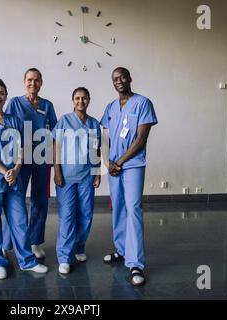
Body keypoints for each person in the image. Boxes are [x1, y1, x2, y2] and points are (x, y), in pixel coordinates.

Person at [0, 79, 48, 280]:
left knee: (20, 221)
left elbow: (22, 147)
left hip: (14, 180)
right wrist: (6, 171)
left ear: (6, 96)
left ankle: (27, 261)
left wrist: (17, 167)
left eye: (2, 93)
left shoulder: (14, 120)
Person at [100, 67, 158, 287]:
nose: (119, 81)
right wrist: (107, 162)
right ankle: (122, 250)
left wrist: (120, 161)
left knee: (133, 209)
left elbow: (141, 139)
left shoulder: (143, 103)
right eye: (115, 78)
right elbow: (104, 138)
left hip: (132, 165)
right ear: (112, 82)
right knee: (119, 208)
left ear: (130, 78)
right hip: (114, 167)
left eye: (123, 77)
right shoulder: (110, 107)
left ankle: (136, 264)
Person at [2, 68, 57, 258]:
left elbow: (54, 134)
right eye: (29, 80)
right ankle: (7, 243)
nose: (33, 83)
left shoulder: (47, 105)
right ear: (24, 81)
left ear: (41, 82)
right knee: (15, 200)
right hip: (20, 159)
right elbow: (6, 128)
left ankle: (34, 242)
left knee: (40, 201)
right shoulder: (15, 103)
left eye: (36, 80)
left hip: (42, 159)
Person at [52, 87, 101, 275]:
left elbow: (97, 151)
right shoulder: (64, 121)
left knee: (86, 214)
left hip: (87, 176)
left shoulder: (94, 124)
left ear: (89, 100)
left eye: (84, 98)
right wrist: (57, 171)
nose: (81, 101)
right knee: (67, 216)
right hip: (66, 176)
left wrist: (97, 174)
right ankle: (64, 257)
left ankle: (79, 247)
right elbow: (55, 146)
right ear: (73, 101)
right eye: (77, 98)